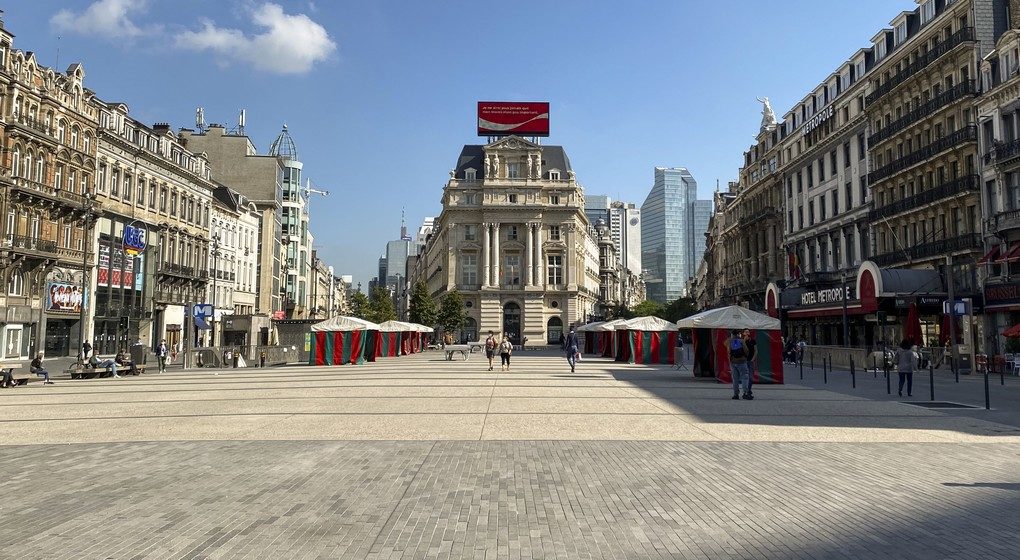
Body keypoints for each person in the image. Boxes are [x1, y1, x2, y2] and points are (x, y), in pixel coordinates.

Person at [728, 329, 752, 400]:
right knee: (744, 377)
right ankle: (745, 393)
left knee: (735, 379)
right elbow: (746, 350)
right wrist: (745, 357)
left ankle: (736, 394)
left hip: (733, 362)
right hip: (742, 361)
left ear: (732, 334)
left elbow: (729, 352)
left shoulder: (730, 342)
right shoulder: (741, 341)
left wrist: (731, 360)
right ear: (738, 334)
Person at [743, 329, 757, 398]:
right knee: (745, 377)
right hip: (744, 361)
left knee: (751, 378)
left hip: (750, 361)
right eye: (745, 332)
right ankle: (746, 392)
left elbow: (756, 350)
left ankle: (749, 390)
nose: (747, 333)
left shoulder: (753, 340)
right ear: (743, 333)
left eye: (748, 332)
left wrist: (753, 359)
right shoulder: (742, 341)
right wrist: (744, 341)